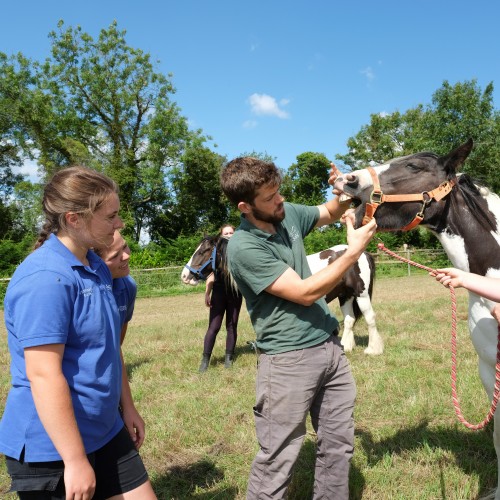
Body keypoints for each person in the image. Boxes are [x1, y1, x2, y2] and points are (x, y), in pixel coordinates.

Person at [220, 157, 377, 499]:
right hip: (288, 361)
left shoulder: (285, 212)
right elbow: (305, 293)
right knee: (277, 458)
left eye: (278, 192)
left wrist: (345, 190)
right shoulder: (244, 248)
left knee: (338, 447)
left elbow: (330, 211)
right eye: (269, 197)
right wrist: (352, 253)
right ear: (245, 207)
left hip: (329, 347)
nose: (279, 201)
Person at [0, 166, 156, 499]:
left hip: (104, 429)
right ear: (74, 219)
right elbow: (43, 375)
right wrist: (74, 460)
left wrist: (127, 407)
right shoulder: (44, 279)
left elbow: (109, 347)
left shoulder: (96, 265)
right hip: (52, 447)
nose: (120, 224)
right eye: (111, 217)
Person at [94, 229, 145, 450]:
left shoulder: (127, 286)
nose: (126, 256)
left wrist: (128, 406)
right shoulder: (88, 291)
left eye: (124, 247)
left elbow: (115, 348)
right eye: (114, 256)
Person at [198, 224, 243, 372]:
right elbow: (211, 275)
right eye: (226, 233)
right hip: (218, 292)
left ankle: (228, 358)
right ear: (221, 235)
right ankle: (205, 360)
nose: (229, 235)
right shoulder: (216, 253)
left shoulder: (239, 252)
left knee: (232, 325)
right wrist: (207, 293)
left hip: (235, 294)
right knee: (214, 327)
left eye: (231, 232)